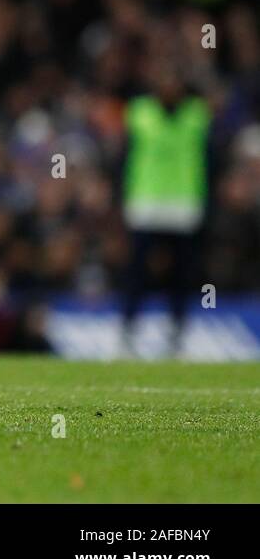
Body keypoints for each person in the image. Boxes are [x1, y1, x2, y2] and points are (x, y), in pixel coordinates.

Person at [119, 64, 213, 357]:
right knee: (138, 270)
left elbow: (211, 158)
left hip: (184, 202)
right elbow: (123, 155)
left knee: (182, 272)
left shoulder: (197, 114)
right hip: (146, 200)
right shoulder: (140, 112)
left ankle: (177, 331)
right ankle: (129, 331)